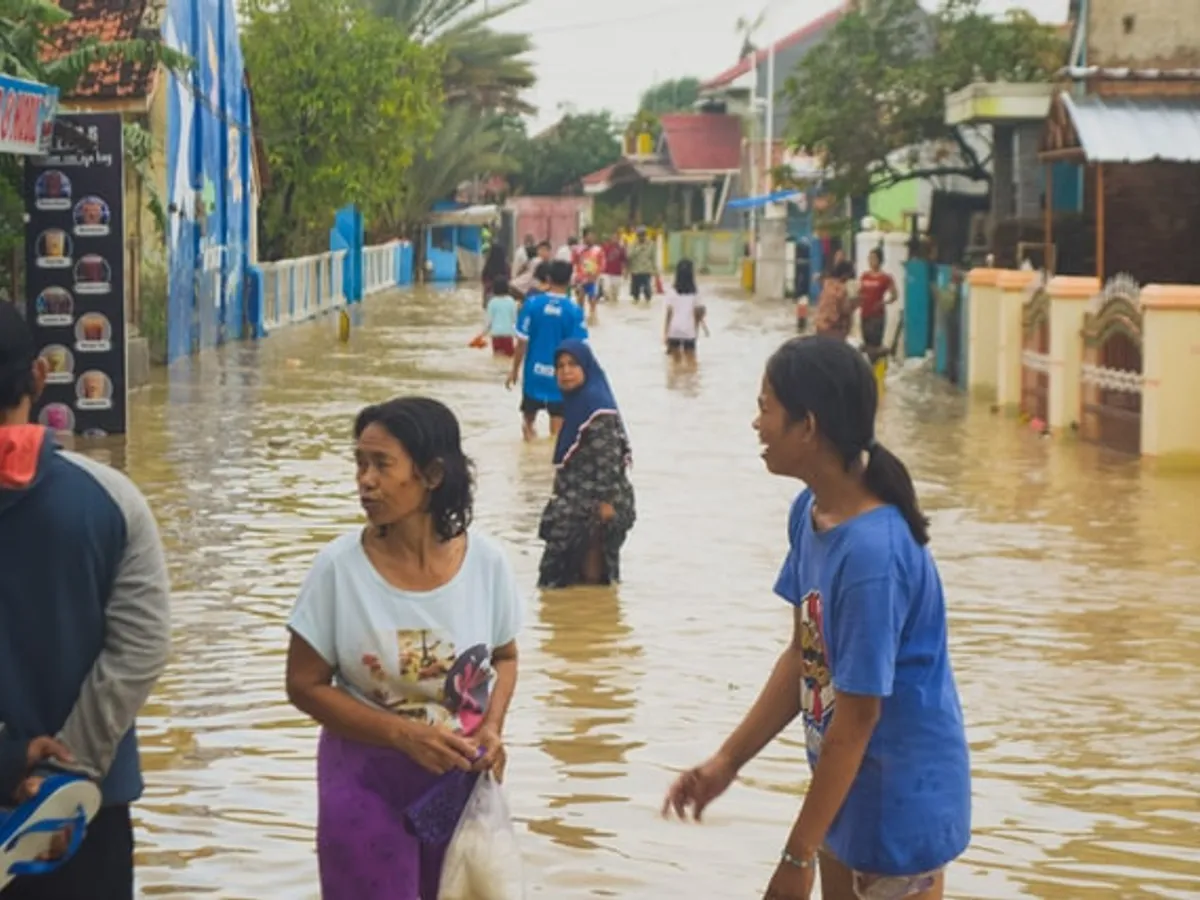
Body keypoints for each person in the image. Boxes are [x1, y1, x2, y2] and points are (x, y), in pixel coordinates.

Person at [664, 336, 970, 900]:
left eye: (764, 407)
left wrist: (795, 856)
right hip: (846, 786)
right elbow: (805, 657)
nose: (756, 424)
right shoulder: (811, 513)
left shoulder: (872, 557)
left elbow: (856, 721)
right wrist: (726, 763)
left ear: (807, 426)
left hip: (899, 802)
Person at [286, 397, 524, 900]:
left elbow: (505, 656)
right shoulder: (338, 570)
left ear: (432, 475)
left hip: (456, 783)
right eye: (360, 463)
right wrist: (399, 733)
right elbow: (303, 685)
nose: (364, 480)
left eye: (381, 464)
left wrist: (493, 728)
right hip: (363, 779)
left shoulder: (487, 564)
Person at [0, 300, 171, 900]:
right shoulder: (110, 501)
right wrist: (55, 774)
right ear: (39, 376)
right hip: (79, 817)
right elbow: (141, 650)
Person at [537, 340, 635, 588]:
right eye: (560, 366)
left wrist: (605, 505)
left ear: (586, 368)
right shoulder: (578, 403)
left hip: (595, 508)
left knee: (590, 577)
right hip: (575, 503)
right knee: (567, 578)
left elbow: (609, 460)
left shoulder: (596, 408)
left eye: (573, 365)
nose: (565, 371)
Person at [506, 260, 589, 440]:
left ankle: (527, 462)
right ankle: (549, 466)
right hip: (560, 377)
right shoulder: (573, 311)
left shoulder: (532, 304)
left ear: (548, 278)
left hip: (533, 376)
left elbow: (521, 342)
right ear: (569, 281)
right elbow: (578, 349)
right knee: (556, 435)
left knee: (528, 425)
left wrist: (513, 371)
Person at [663, 259, 709, 363]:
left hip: (674, 330)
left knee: (675, 363)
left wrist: (665, 333)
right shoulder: (695, 293)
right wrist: (696, 331)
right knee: (691, 362)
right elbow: (699, 312)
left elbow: (669, 314)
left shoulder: (672, 292)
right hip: (689, 331)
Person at [857, 249, 897, 357]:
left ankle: (877, 370)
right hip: (865, 313)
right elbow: (859, 292)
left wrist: (883, 303)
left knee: (875, 346)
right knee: (866, 344)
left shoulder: (885, 278)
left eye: (874, 258)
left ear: (880, 260)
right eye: (869, 258)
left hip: (877, 316)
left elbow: (894, 295)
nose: (871, 261)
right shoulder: (864, 276)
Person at [813, 259, 856, 342]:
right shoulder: (841, 288)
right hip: (834, 329)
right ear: (845, 275)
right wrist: (855, 304)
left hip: (820, 326)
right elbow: (844, 309)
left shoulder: (827, 284)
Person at [475, 275, 519, 357]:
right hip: (507, 335)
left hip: (496, 335)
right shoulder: (511, 301)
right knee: (508, 357)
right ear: (507, 288)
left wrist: (481, 335)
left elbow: (488, 322)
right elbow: (515, 320)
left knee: (497, 356)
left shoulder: (492, 302)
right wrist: (519, 335)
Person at [574, 228, 604, 319]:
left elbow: (602, 264)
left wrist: (596, 274)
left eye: (593, 236)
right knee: (580, 298)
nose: (591, 238)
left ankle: (593, 316)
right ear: (584, 237)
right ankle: (580, 317)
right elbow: (574, 263)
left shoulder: (598, 250)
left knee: (592, 298)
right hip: (580, 278)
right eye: (589, 236)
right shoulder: (578, 249)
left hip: (593, 278)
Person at [627, 226, 657, 304]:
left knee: (647, 291)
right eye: (640, 235)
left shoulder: (651, 244)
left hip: (646, 271)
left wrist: (655, 271)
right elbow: (629, 256)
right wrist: (638, 249)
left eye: (643, 235)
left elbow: (653, 258)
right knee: (635, 294)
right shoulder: (633, 244)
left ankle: (647, 303)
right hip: (635, 271)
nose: (641, 237)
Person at [600, 230, 628, 304]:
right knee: (607, 289)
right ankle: (609, 301)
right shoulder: (605, 247)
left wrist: (625, 271)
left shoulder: (621, 249)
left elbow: (624, 261)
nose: (614, 239)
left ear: (618, 239)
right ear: (610, 239)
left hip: (617, 273)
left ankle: (614, 302)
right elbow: (600, 258)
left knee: (615, 292)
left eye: (616, 238)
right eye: (613, 238)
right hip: (606, 272)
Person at [481, 242, 510, 309]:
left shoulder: (487, 266)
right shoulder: (506, 266)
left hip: (489, 295)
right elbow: (509, 280)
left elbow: (483, 281)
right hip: (504, 296)